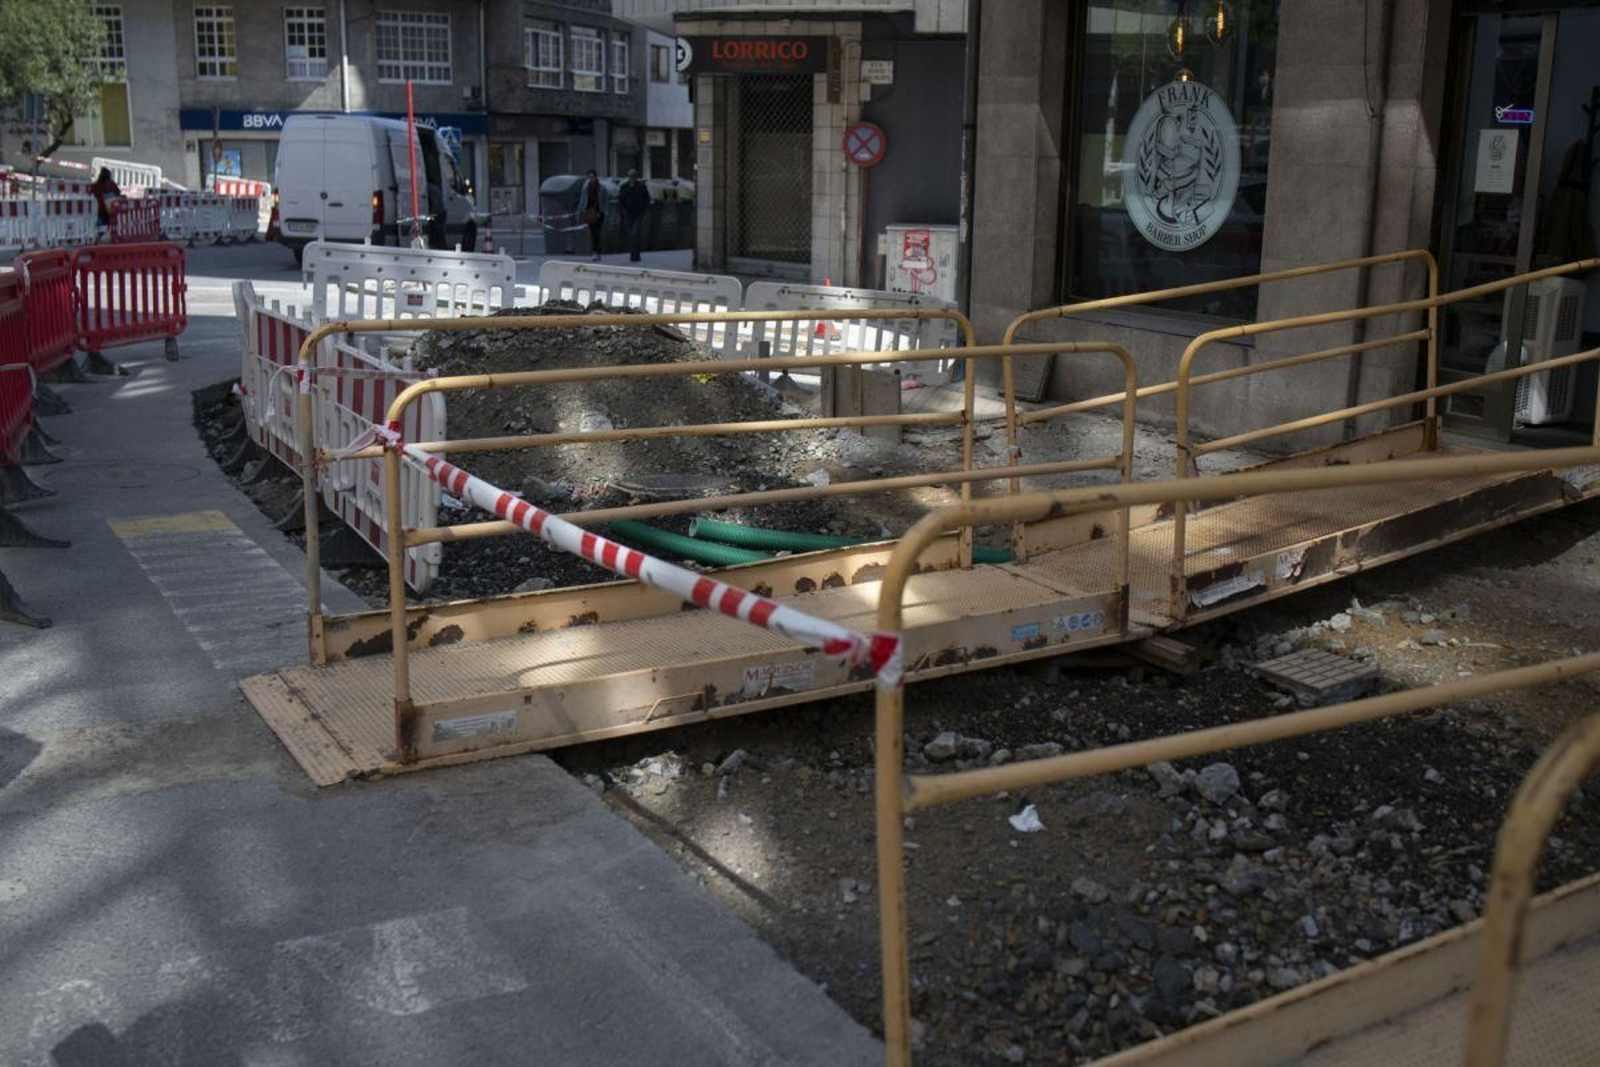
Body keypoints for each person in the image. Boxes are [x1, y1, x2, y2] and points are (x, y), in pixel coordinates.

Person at [618, 169, 651, 262]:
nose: (631, 178)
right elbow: (620, 200)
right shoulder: (623, 187)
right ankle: (634, 253)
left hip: (638, 213)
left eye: (633, 176)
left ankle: (634, 255)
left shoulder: (641, 186)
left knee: (635, 234)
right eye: (629, 176)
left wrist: (644, 210)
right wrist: (622, 210)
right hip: (628, 214)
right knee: (631, 235)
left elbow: (646, 198)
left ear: (636, 177)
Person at [577, 169, 608, 261]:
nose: (591, 179)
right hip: (590, 212)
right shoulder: (586, 188)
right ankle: (596, 252)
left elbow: (606, 200)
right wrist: (580, 211)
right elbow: (582, 200)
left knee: (596, 232)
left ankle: (596, 252)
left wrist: (605, 211)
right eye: (589, 177)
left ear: (596, 177)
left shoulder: (602, 188)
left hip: (599, 212)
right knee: (593, 233)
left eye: (592, 177)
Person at [90, 166, 121, 231]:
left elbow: (91, 195)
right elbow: (118, 193)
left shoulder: (96, 186)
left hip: (100, 209)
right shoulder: (112, 184)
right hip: (112, 209)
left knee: (101, 226)